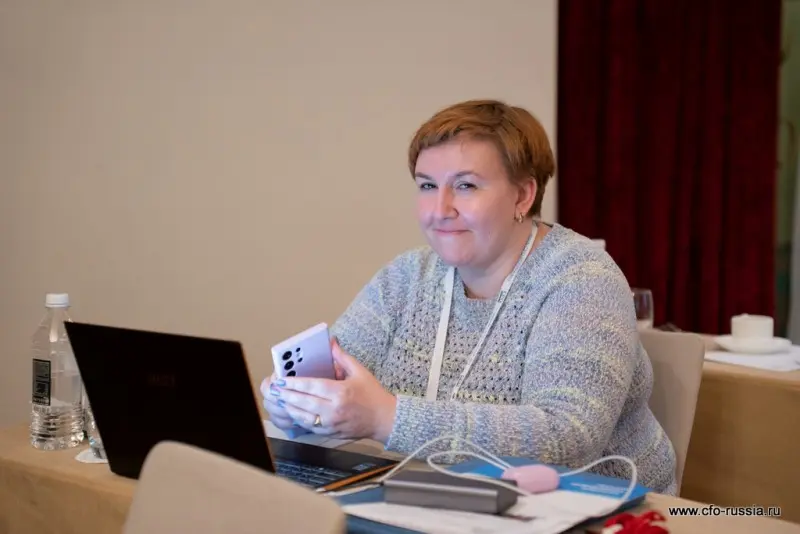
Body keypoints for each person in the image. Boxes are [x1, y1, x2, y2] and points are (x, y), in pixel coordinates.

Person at [262, 99, 678, 495]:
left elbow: (567, 437)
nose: (439, 209)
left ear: (522, 196)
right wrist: (300, 406)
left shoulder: (582, 279)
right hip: (436, 497)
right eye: (427, 185)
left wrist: (387, 418)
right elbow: (340, 378)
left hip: (597, 507)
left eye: (465, 185)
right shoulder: (406, 276)